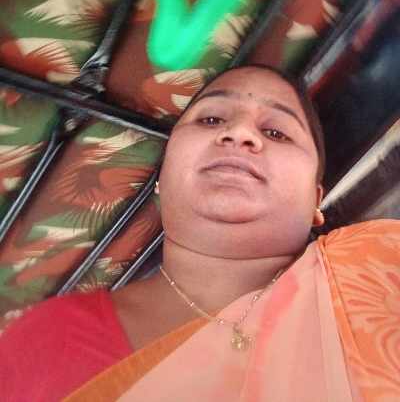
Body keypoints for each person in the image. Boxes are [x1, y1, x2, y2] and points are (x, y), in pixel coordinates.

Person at [0, 65, 399, 402]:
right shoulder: (44, 340)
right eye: (211, 120)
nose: (240, 133)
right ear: (161, 177)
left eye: (277, 132)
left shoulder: (380, 272)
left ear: (316, 200)